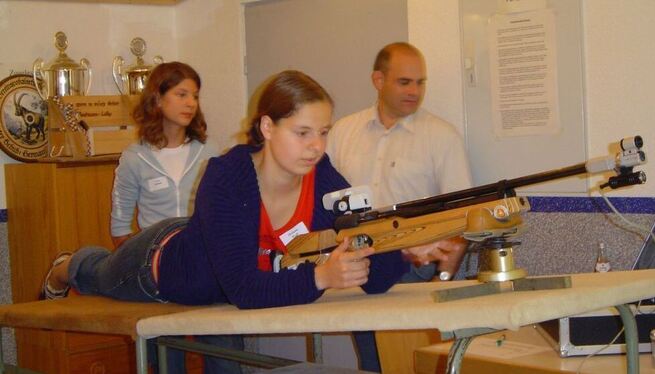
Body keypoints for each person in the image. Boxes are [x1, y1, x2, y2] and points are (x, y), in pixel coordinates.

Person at [40, 70, 448, 370]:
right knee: (95, 272)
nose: (316, 147)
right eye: (302, 133)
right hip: (159, 265)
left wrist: (403, 249)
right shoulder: (228, 174)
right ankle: (65, 265)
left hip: (220, 289)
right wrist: (323, 277)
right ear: (268, 127)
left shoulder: (321, 175)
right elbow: (245, 289)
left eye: (323, 132)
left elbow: (372, 278)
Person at [326, 42, 473, 372]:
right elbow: (322, 203)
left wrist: (443, 279)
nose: (415, 91)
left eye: (421, 82)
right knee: (373, 363)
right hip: (356, 267)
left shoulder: (441, 136)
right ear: (378, 80)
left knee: (409, 364)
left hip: (413, 274)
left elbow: (461, 218)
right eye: (404, 82)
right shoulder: (343, 133)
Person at [105, 61, 232, 374]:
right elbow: (120, 226)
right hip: (158, 270)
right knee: (165, 362)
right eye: (182, 94)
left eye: (195, 96)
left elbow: (222, 209)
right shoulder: (135, 157)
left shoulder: (210, 150)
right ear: (158, 100)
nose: (191, 103)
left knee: (224, 357)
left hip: (205, 263)